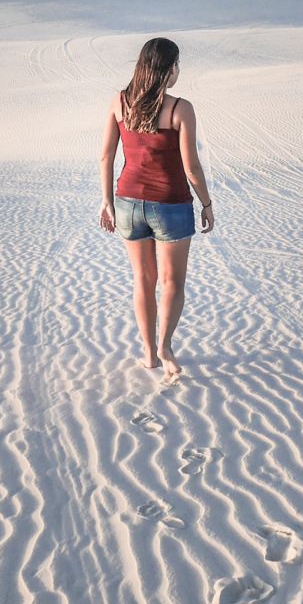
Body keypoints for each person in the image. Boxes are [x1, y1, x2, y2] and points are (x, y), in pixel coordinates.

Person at [99, 37, 215, 380]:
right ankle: (165, 345)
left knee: (143, 280)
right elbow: (191, 165)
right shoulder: (180, 108)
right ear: (169, 69)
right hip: (171, 205)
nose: (179, 71)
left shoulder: (120, 102)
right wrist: (207, 203)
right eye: (177, 64)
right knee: (172, 282)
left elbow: (106, 155)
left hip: (127, 203)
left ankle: (148, 353)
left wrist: (107, 201)